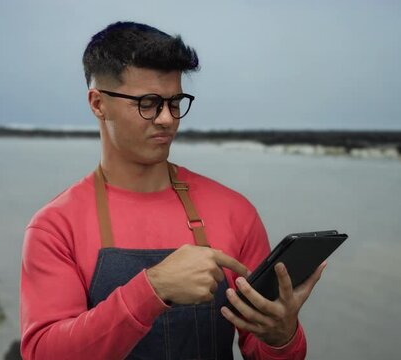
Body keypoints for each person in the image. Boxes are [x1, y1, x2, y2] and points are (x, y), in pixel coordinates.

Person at [20, 21, 326, 360]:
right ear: (98, 103)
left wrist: (281, 337)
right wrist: (152, 290)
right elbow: (43, 353)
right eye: (148, 103)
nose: (167, 119)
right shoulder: (56, 226)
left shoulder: (234, 212)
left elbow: (260, 350)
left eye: (175, 102)